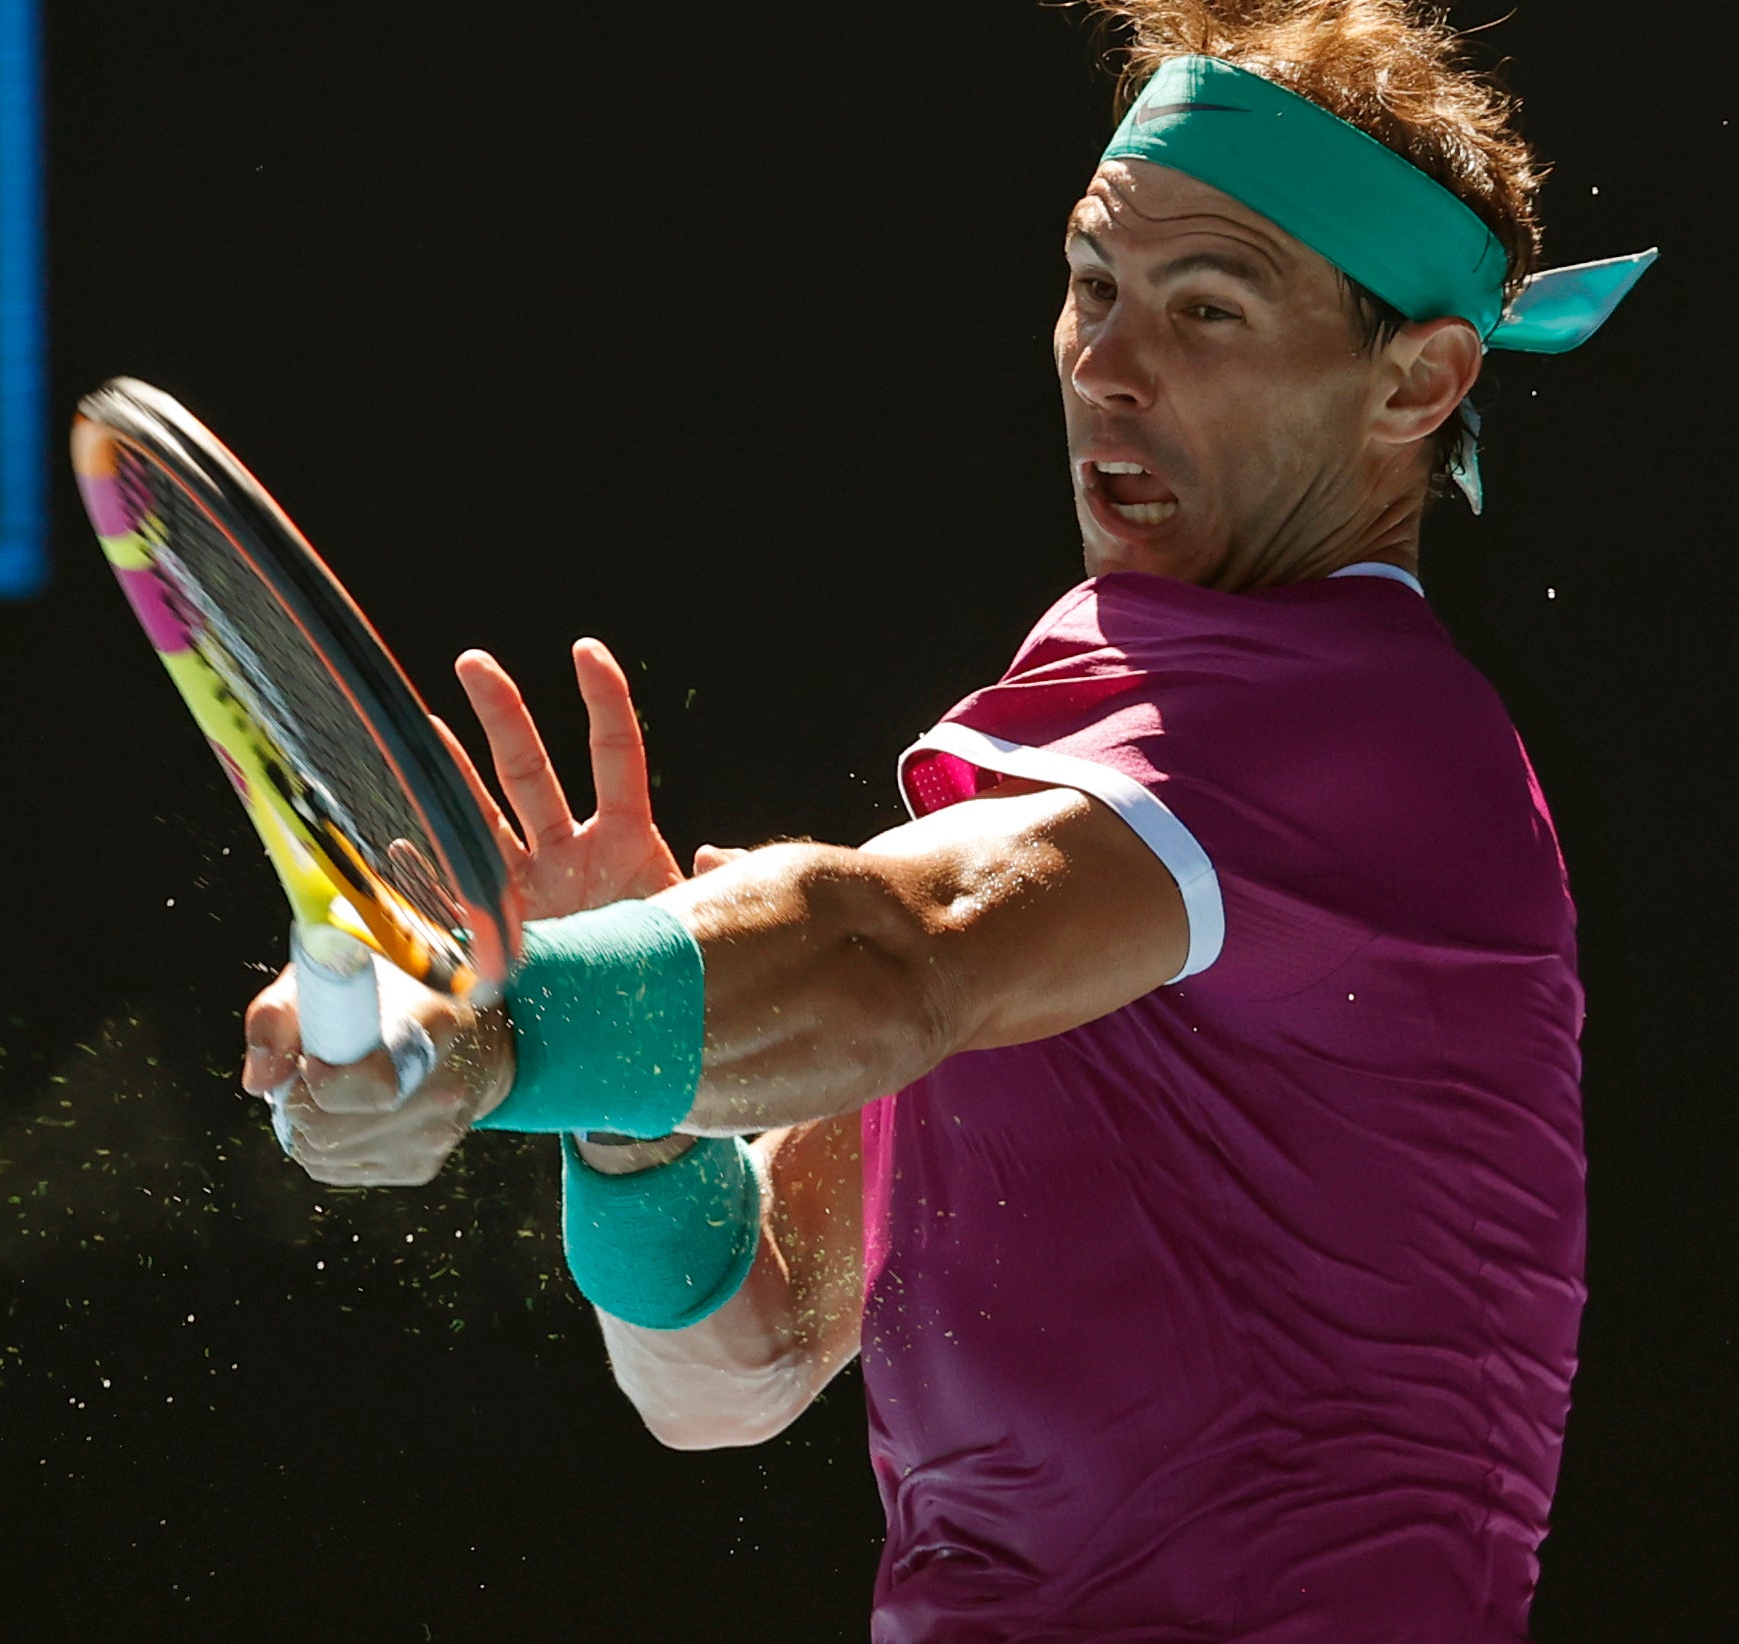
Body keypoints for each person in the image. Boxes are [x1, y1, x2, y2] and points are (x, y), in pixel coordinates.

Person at [239, 1, 1654, 1636]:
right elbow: (737, 1372)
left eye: (1206, 310)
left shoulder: (1349, 723)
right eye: (1091, 284)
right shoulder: (1104, 762)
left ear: (1416, 381)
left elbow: (889, 956)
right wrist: (628, 1099)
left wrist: (503, 1020)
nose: (1109, 368)